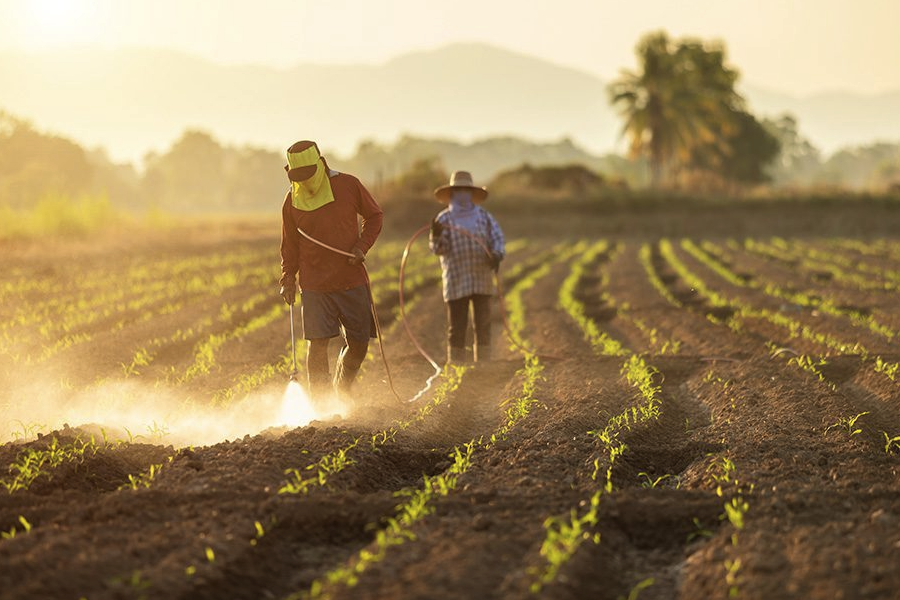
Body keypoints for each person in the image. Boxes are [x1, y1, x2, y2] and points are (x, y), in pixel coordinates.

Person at [279, 140, 384, 401]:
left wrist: (362, 246)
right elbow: (290, 244)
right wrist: (288, 278)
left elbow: (375, 216)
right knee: (317, 345)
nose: (304, 181)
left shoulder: (348, 185)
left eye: (308, 174)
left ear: (321, 164)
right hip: (314, 285)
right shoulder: (292, 199)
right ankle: (321, 406)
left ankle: (343, 384)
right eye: (298, 176)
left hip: (351, 279)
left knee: (359, 345)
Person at [429, 170, 505, 364]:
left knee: (483, 323)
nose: (462, 194)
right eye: (458, 190)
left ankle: (483, 364)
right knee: (457, 325)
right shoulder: (443, 219)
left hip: (482, 276)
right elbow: (438, 250)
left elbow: (497, 238)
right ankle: (457, 366)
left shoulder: (483, 217)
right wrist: (436, 235)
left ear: (471, 193)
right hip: (456, 278)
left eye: (466, 190)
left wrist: (496, 254)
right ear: (452, 193)